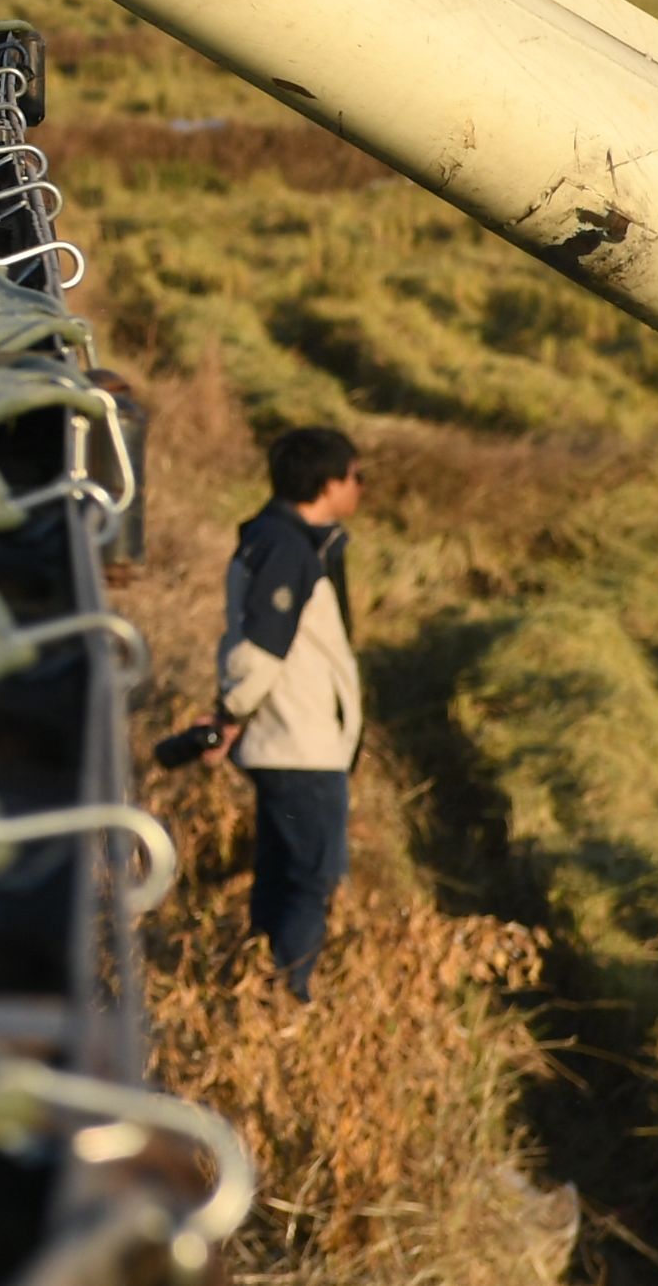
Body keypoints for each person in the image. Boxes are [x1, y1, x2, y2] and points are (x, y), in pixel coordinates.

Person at [215, 425, 363, 999]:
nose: (361, 489)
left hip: (289, 742)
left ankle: (257, 994)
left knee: (282, 876)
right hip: (299, 746)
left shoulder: (277, 540)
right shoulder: (287, 548)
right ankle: (285, 1001)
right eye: (357, 477)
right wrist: (230, 712)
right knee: (310, 880)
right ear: (328, 484)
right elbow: (258, 650)